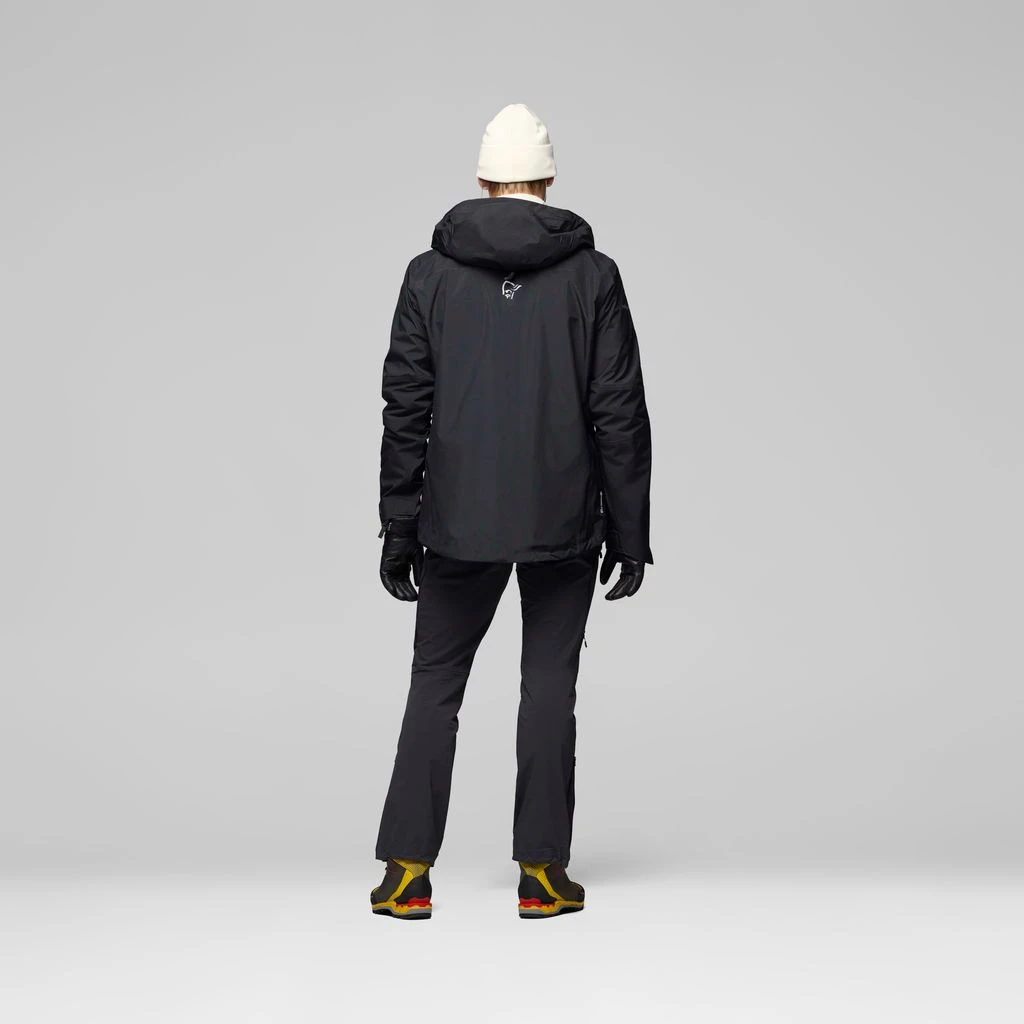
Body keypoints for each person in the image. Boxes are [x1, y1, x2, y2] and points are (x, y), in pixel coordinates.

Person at [370, 103, 653, 920]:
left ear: (483, 178)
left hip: (455, 519)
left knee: (435, 684)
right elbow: (619, 412)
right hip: (563, 518)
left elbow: (405, 407)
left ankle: (406, 875)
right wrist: (630, 531)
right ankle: (541, 876)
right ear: (548, 178)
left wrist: (398, 525)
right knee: (549, 686)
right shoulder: (593, 277)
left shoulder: (429, 275)